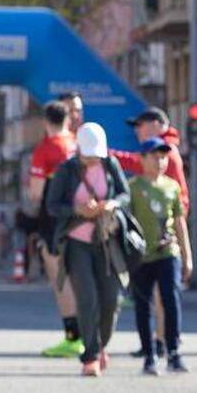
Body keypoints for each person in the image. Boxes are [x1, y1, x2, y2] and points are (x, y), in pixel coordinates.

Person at [41, 122, 130, 377]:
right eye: (89, 155)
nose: (93, 160)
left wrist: (111, 204)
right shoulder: (66, 170)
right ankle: (89, 356)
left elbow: (125, 194)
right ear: (79, 150)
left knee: (111, 299)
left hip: (106, 240)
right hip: (76, 243)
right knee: (87, 298)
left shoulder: (110, 165)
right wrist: (77, 209)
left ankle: (101, 345)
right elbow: (52, 205)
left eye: (96, 156)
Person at [113, 105, 190, 356]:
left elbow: (176, 201)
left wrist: (106, 153)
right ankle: (159, 341)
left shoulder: (165, 153)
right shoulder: (159, 153)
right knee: (156, 294)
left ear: (156, 125)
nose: (137, 131)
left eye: (141, 125)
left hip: (165, 228)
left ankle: (163, 342)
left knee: (162, 294)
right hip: (158, 226)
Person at [128, 137, 191, 375]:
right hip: (142, 255)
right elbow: (126, 223)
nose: (160, 161)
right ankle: (149, 355)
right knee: (143, 304)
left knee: (171, 299)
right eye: (155, 157)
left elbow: (180, 222)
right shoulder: (133, 188)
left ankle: (173, 352)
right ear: (142, 159)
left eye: (164, 157)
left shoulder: (172, 187)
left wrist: (187, 255)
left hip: (168, 252)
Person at [28, 101, 82, 358]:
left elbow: (36, 193)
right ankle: (91, 334)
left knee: (60, 278)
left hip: (54, 219)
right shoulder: (77, 144)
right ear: (68, 120)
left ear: (45, 121)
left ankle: (73, 337)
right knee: (81, 276)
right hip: (82, 215)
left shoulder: (45, 149)